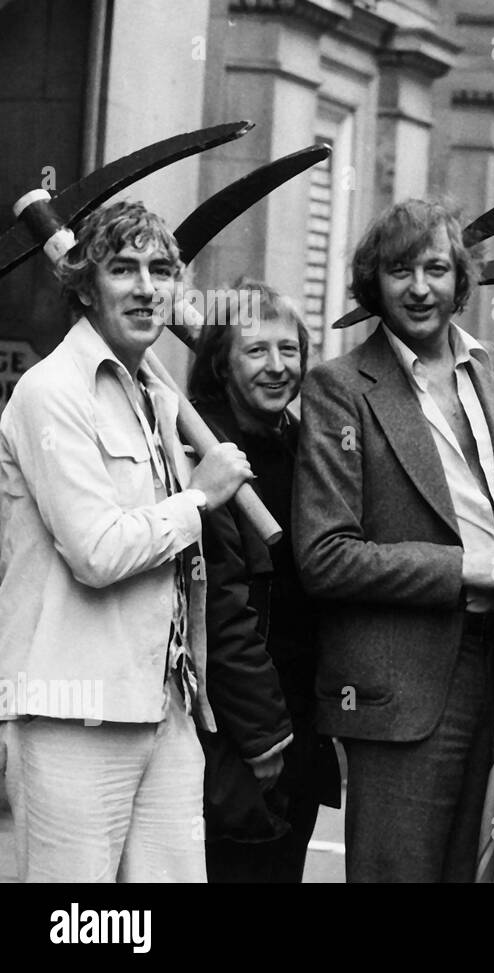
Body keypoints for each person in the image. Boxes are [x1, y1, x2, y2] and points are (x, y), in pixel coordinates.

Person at [0, 200, 252, 881]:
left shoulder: (155, 396)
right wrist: (199, 495)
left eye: (161, 270)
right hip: (72, 707)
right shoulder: (51, 392)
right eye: (123, 269)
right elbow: (97, 551)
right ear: (86, 285)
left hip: (162, 703)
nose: (146, 286)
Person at [293, 197, 494, 882]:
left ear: (460, 280)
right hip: (399, 686)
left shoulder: (491, 368)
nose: (420, 288)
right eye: (399, 270)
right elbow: (325, 555)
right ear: (373, 282)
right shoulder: (340, 388)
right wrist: (464, 567)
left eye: (436, 268)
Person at [189, 279, 341, 882]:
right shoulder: (201, 454)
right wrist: (261, 737)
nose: (278, 367)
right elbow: (218, 607)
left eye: (290, 350)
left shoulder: (307, 450)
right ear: (222, 365)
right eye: (256, 351)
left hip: (301, 722)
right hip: (238, 734)